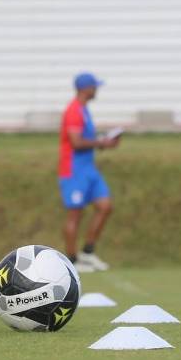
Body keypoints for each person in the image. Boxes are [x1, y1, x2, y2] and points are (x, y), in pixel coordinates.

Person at [59, 72, 120, 273]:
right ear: (86, 88)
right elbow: (76, 142)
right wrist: (102, 142)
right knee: (75, 214)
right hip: (74, 169)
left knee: (105, 206)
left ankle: (88, 252)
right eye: (95, 86)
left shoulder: (84, 110)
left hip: (88, 168)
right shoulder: (74, 111)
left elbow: (86, 139)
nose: (97, 90)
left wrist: (104, 142)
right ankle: (72, 260)